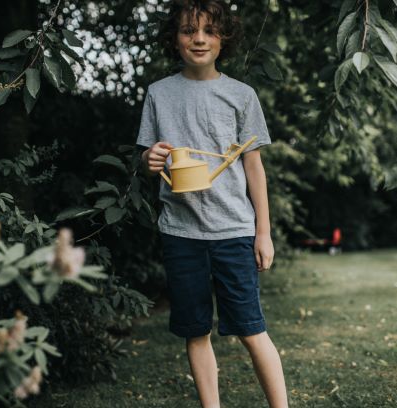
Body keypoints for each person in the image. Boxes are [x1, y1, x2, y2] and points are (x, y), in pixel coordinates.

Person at [135, 1, 288, 407]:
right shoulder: (159, 94)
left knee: (251, 329)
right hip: (180, 233)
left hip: (233, 230)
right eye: (188, 30)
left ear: (224, 38)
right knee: (195, 330)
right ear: (175, 39)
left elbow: (254, 168)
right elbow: (148, 160)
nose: (199, 39)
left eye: (208, 30)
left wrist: (263, 233)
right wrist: (149, 160)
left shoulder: (241, 95)